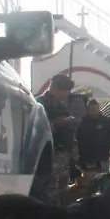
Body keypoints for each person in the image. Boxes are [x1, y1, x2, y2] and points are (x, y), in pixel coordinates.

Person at [35, 73, 77, 206]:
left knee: (63, 193)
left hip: (64, 157)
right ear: (58, 88)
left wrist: (74, 157)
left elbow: (70, 135)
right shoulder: (40, 104)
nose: (67, 94)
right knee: (49, 193)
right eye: (66, 91)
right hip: (50, 157)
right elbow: (38, 129)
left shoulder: (62, 106)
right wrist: (58, 123)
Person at [76, 99, 110, 172]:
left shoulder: (106, 121)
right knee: (86, 181)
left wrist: (106, 146)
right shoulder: (82, 122)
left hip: (102, 157)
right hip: (86, 159)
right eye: (91, 109)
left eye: (95, 109)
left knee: (103, 179)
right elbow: (77, 137)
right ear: (87, 109)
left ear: (98, 109)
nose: (93, 112)